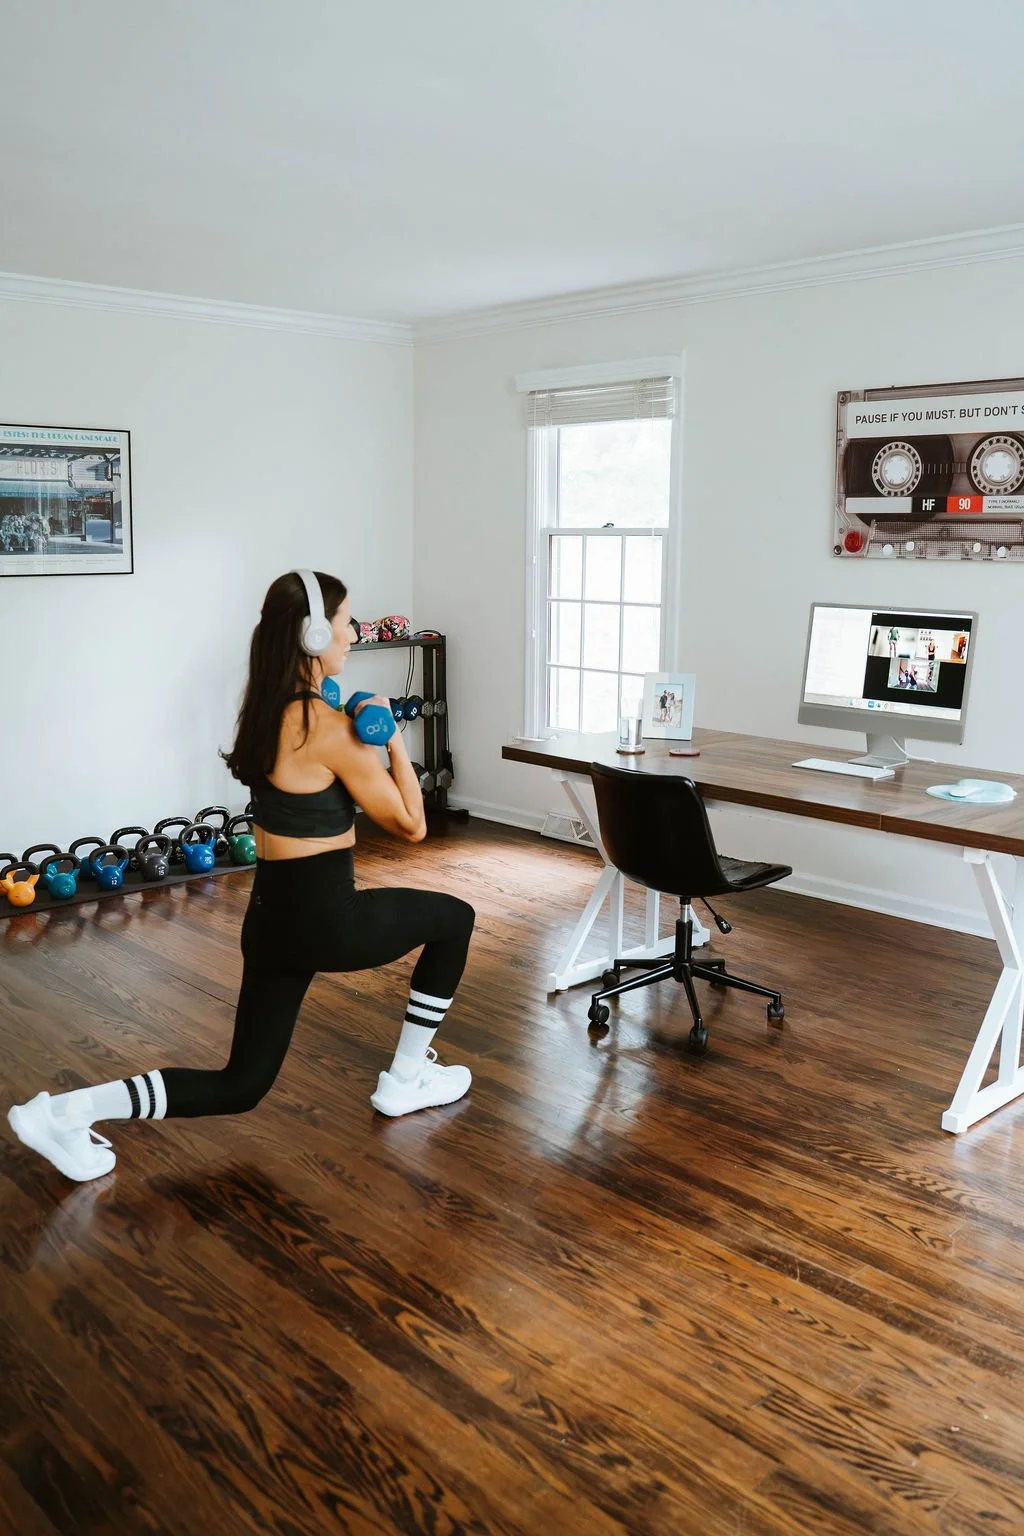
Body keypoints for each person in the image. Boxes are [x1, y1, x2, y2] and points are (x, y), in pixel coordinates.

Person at [8, 570, 475, 1182]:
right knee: (455, 919)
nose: (354, 633)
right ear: (312, 634)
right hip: (328, 923)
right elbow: (412, 824)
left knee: (241, 1084)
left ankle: (65, 1112)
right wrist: (390, 739)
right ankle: (408, 1078)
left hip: (270, 922)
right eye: (344, 622)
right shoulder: (331, 731)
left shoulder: (266, 712)